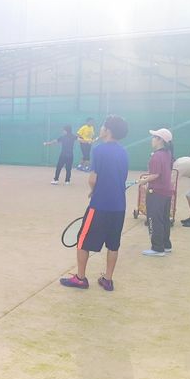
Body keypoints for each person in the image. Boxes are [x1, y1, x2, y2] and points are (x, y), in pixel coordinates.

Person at [60, 115, 129, 292]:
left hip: (99, 205)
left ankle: (80, 278)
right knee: (113, 244)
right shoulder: (124, 152)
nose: (101, 129)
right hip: (119, 207)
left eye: (103, 126)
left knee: (82, 240)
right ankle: (108, 280)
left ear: (108, 130)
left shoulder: (98, 150)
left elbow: (93, 179)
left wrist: (93, 190)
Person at [138, 128, 174, 257]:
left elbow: (155, 175)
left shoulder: (156, 156)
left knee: (153, 219)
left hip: (156, 192)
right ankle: (166, 245)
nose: (152, 140)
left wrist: (143, 181)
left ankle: (157, 248)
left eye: (154, 137)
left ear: (160, 140)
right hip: (166, 192)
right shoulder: (168, 153)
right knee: (164, 219)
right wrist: (146, 178)